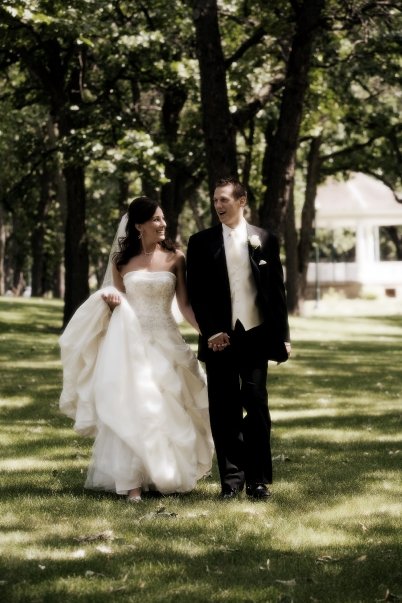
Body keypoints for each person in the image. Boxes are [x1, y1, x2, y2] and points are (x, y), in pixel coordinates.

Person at [59, 196, 213, 502]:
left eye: (163, 218)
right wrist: (111, 301)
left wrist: (207, 332)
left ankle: (164, 474)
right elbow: (118, 302)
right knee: (134, 404)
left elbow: (184, 306)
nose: (163, 224)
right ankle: (132, 483)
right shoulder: (121, 261)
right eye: (156, 219)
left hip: (167, 340)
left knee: (168, 406)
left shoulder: (176, 258)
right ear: (139, 225)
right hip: (132, 342)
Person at [186, 177, 290, 500]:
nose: (218, 205)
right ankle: (231, 482)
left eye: (224, 200)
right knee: (224, 409)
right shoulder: (200, 242)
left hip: (256, 333)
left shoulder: (265, 239)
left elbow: (276, 291)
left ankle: (258, 481)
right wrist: (212, 330)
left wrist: (283, 336)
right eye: (215, 200)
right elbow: (197, 293)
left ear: (241, 201)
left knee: (256, 404)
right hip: (220, 339)